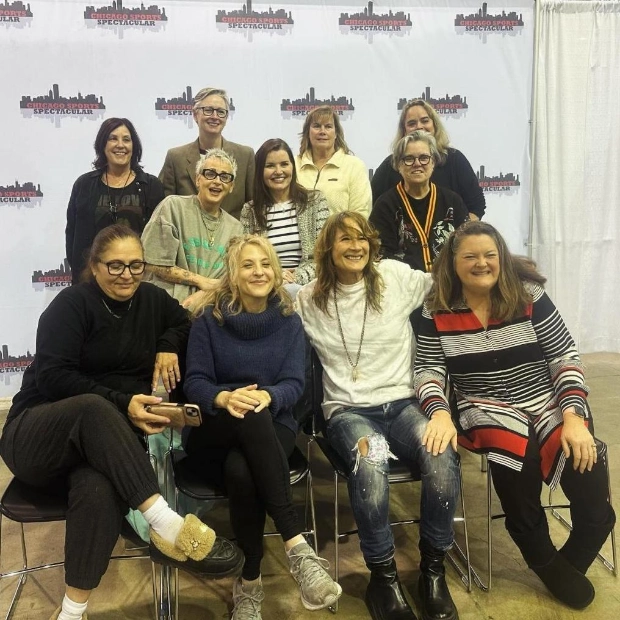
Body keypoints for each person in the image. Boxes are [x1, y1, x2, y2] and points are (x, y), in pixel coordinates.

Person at [0, 225, 242, 620]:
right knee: (95, 407)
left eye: (136, 265)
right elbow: (53, 378)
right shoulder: (70, 305)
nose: (127, 274)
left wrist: (166, 346)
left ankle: (71, 612)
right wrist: (122, 402)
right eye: (115, 266)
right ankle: (165, 522)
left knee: (96, 490)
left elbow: (181, 323)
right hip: (37, 437)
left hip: (98, 452)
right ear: (93, 267)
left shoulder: (152, 300)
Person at [413, 221, 616, 610]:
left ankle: (561, 564)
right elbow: (428, 370)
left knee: (587, 473)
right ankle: (541, 555)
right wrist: (438, 413)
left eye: (489, 255)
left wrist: (573, 416)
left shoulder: (528, 295)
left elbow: (564, 355)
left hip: (547, 399)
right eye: (470, 256)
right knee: (515, 461)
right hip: (483, 405)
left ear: (501, 258)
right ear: (452, 261)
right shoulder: (435, 307)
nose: (481, 263)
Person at [297, 212, 461, 620]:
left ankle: (432, 572)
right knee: (371, 460)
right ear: (327, 250)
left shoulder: (394, 277)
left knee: (441, 455)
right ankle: (383, 579)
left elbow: (449, 282)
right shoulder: (309, 297)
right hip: (349, 413)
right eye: (344, 240)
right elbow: (258, 287)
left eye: (362, 238)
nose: (356, 246)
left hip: (404, 405)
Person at [182, 235, 342, 618]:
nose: (259, 272)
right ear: (233, 275)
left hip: (273, 421)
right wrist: (225, 398)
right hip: (215, 427)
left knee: (242, 469)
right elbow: (196, 383)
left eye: (265, 264)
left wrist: (267, 396)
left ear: (276, 271)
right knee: (247, 413)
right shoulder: (209, 320)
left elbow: (293, 384)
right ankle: (297, 546)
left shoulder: (289, 323)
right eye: (248, 265)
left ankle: (249, 581)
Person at [65, 118, 164, 284]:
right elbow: (72, 237)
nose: (120, 145)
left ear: (134, 146)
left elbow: (158, 241)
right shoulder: (84, 185)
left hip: (135, 280)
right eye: (113, 138)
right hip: (91, 282)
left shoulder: (151, 186)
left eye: (126, 139)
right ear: (102, 145)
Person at [142, 148, 243, 307]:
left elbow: (235, 279)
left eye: (225, 177)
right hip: (166, 305)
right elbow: (151, 262)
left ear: (231, 186)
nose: (217, 181)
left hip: (213, 308)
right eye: (210, 174)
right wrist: (201, 281)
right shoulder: (173, 207)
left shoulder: (236, 229)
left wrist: (205, 293)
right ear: (198, 179)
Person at [370, 131, 469, 273]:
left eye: (424, 158)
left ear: (433, 162)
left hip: (448, 283)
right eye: (409, 159)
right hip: (404, 286)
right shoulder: (385, 205)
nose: (417, 164)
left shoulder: (452, 202)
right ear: (398, 165)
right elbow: (381, 255)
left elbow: (467, 246)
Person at [240, 138, 329, 296]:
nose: (279, 171)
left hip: (309, 286)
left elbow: (324, 256)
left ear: (293, 167)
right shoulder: (250, 211)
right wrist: (275, 275)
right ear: (260, 171)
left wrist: (296, 277)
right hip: (266, 285)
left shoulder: (315, 202)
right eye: (270, 166)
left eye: (284, 164)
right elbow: (245, 258)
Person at [371, 99, 485, 220]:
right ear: (404, 130)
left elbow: (476, 206)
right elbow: (373, 207)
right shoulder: (391, 164)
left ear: (434, 125)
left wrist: (460, 236)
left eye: (425, 121)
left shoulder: (455, 159)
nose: (419, 126)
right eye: (411, 123)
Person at [158, 87, 254, 220]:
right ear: (195, 114)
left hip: (233, 238)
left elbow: (253, 207)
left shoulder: (245, 156)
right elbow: (164, 209)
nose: (215, 117)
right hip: (188, 238)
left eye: (221, 112)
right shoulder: (176, 158)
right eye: (208, 110)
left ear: (226, 117)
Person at [296, 106, 372, 216]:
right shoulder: (293, 165)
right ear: (308, 132)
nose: (322, 131)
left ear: (336, 133)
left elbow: (360, 214)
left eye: (328, 126)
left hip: (343, 233)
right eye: (317, 126)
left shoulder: (354, 166)